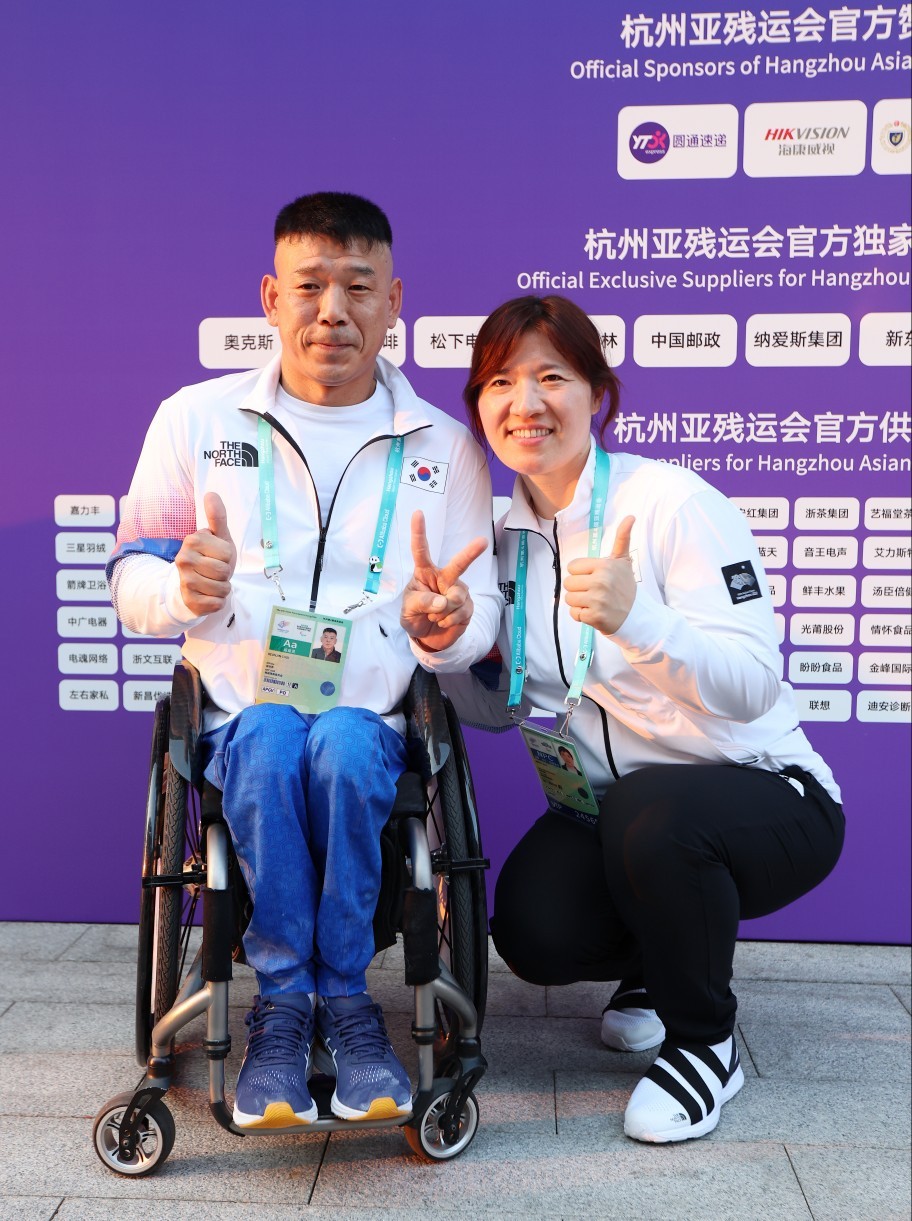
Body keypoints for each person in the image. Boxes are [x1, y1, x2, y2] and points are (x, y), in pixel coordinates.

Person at [107, 192, 501, 1130]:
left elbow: (479, 612)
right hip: (238, 716)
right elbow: (130, 579)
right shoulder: (194, 419)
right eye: (310, 286)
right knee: (274, 738)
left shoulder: (446, 448)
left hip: (374, 722)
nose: (334, 311)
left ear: (394, 300)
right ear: (270, 297)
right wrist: (182, 590)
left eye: (359, 287)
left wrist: (447, 625)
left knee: (342, 745)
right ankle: (290, 1003)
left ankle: (342, 1000)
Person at [444, 295, 844, 1144]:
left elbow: (752, 686)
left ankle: (706, 1044)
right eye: (501, 381)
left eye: (552, 376)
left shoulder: (671, 502)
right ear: (479, 404)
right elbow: (501, 707)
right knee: (533, 929)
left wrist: (639, 622)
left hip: (769, 797)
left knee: (652, 814)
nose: (526, 402)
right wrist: (443, 651)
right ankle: (659, 967)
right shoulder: (502, 538)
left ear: (598, 393)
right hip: (613, 815)